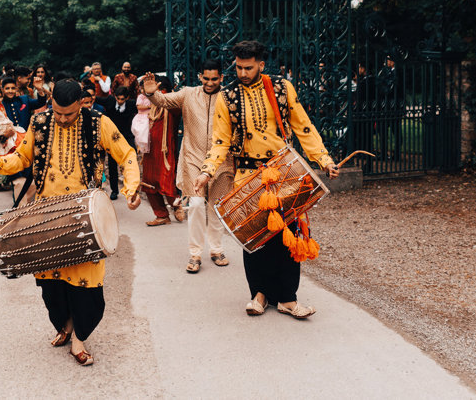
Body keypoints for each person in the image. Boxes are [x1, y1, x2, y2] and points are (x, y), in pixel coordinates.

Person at [0, 79, 141, 366]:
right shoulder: (40, 121)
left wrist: (131, 188)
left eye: (69, 113)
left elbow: (126, 154)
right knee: (50, 283)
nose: (63, 119)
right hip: (46, 216)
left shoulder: (98, 123)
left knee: (86, 284)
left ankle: (79, 337)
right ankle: (64, 326)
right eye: (58, 112)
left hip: (84, 218)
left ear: (81, 102)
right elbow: (22, 157)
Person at [194, 40, 339, 318]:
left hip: (283, 172)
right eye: (238, 67)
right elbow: (220, 141)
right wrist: (207, 171)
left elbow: (303, 126)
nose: (243, 72)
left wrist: (324, 159)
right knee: (255, 238)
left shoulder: (282, 89)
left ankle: (287, 298)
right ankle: (258, 295)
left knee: (287, 236)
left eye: (248, 67)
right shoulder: (228, 96)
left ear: (261, 64)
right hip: (248, 177)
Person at [141, 60, 227, 274]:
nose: (209, 82)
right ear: (200, 77)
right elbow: (163, 101)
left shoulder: (228, 96)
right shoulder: (188, 93)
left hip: (222, 160)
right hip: (193, 157)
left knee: (216, 207)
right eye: (206, 78)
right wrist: (151, 93)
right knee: (196, 204)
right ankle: (195, 253)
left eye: (214, 79)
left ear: (221, 78)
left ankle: (216, 249)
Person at [139, 79, 184, 226]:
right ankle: (162, 215)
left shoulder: (172, 105)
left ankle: (177, 206)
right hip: (149, 151)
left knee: (166, 181)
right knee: (149, 182)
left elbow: (173, 106)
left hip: (165, 151)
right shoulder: (149, 106)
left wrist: (162, 97)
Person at [0, 76, 49, 191]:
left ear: (16, 88)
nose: (10, 91)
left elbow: (40, 102)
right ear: (2, 90)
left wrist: (40, 89)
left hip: (27, 143)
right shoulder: (0, 105)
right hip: (10, 146)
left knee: (29, 177)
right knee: (17, 179)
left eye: (12, 88)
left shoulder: (24, 100)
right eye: (7, 88)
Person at [102, 86, 137, 200]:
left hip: (127, 136)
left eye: (122, 99)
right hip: (113, 138)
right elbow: (94, 98)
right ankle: (114, 190)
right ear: (115, 96)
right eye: (118, 98)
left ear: (127, 98)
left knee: (131, 160)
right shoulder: (110, 101)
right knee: (112, 165)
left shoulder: (132, 104)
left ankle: (131, 189)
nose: (120, 101)